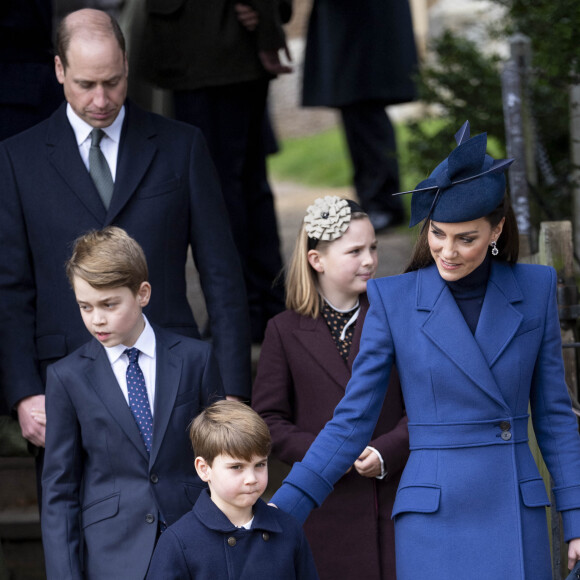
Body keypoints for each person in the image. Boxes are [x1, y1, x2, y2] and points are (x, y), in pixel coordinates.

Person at [270, 122, 580, 578]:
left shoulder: (535, 289)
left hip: (513, 504)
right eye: (437, 233)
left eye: (465, 238)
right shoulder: (393, 300)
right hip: (432, 517)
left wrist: (575, 516)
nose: (446, 251)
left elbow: (554, 415)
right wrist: (281, 509)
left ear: (496, 231)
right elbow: (350, 422)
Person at [0, 8, 250, 451]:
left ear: (127, 66)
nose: (101, 99)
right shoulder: (17, 160)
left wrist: (230, 390)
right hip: (63, 387)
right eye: (86, 84)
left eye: (112, 82)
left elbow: (222, 275)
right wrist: (23, 391)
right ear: (59, 70)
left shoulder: (182, 147)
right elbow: (10, 286)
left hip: (172, 381)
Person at [41, 226, 224, 579]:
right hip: (113, 554)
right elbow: (60, 490)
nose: (96, 319)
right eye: (85, 306)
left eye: (109, 304)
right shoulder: (67, 377)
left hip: (196, 539)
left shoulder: (195, 359)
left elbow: (222, 454)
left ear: (142, 293)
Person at [252, 196, 408, 579]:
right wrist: (330, 455)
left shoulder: (397, 317)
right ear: (316, 260)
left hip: (395, 503)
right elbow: (268, 420)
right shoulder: (283, 331)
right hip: (326, 513)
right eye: (354, 251)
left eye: (373, 247)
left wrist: (385, 451)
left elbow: (424, 406)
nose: (369, 259)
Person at [137, 0, 291, 343]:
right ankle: (264, 307)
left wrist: (266, 15)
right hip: (208, 48)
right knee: (244, 185)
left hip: (212, 49)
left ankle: (247, 313)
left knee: (221, 190)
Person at [146, 400, 319, 580]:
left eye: (260, 464)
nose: (251, 478)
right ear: (204, 469)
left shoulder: (289, 530)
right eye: (237, 467)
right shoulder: (178, 542)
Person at [301, 0, 418, 232]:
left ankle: (383, 203)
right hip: (350, 26)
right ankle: (374, 201)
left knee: (366, 113)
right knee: (356, 113)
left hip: (363, 30)